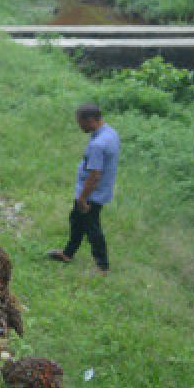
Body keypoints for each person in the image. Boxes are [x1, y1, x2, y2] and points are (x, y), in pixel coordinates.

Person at [46, 104, 120, 273]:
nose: (80, 127)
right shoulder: (111, 133)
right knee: (76, 221)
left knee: (92, 228)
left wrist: (82, 198)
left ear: (91, 120)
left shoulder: (98, 144)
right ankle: (68, 253)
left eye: (81, 123)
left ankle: (102, 266)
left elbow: (94, 175)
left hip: (91, 194)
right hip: (100, 190)